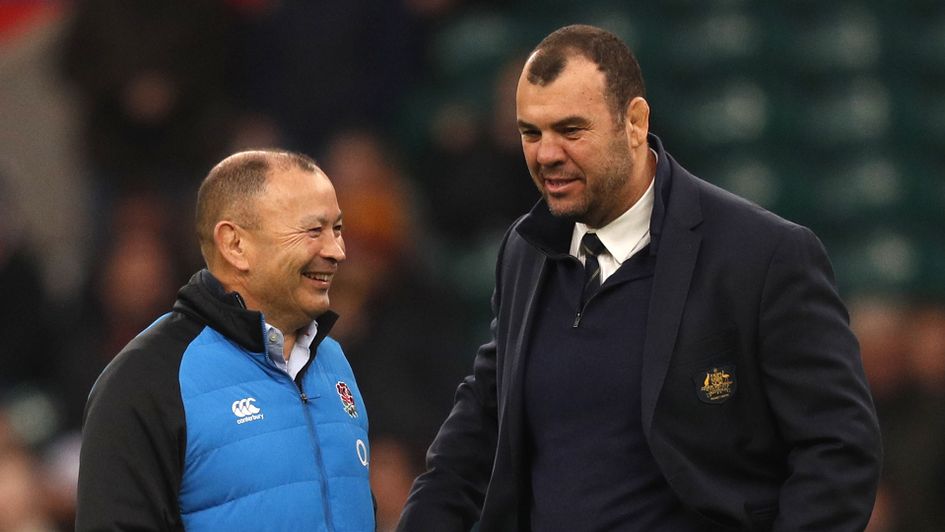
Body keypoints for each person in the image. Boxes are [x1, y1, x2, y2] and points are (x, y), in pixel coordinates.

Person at [398, 24, 882, 532]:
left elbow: (839, 450)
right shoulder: (525, 252)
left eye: (570, 130)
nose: (546, 154)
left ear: (634, 121)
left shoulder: (762, 256)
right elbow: (474, 439)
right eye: (530, 133)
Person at [76, 150, 374, 531]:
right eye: (313, 231)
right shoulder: (146, 379)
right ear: (235, 245)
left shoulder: (334, 360)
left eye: (337, 229)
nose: (337, 251)